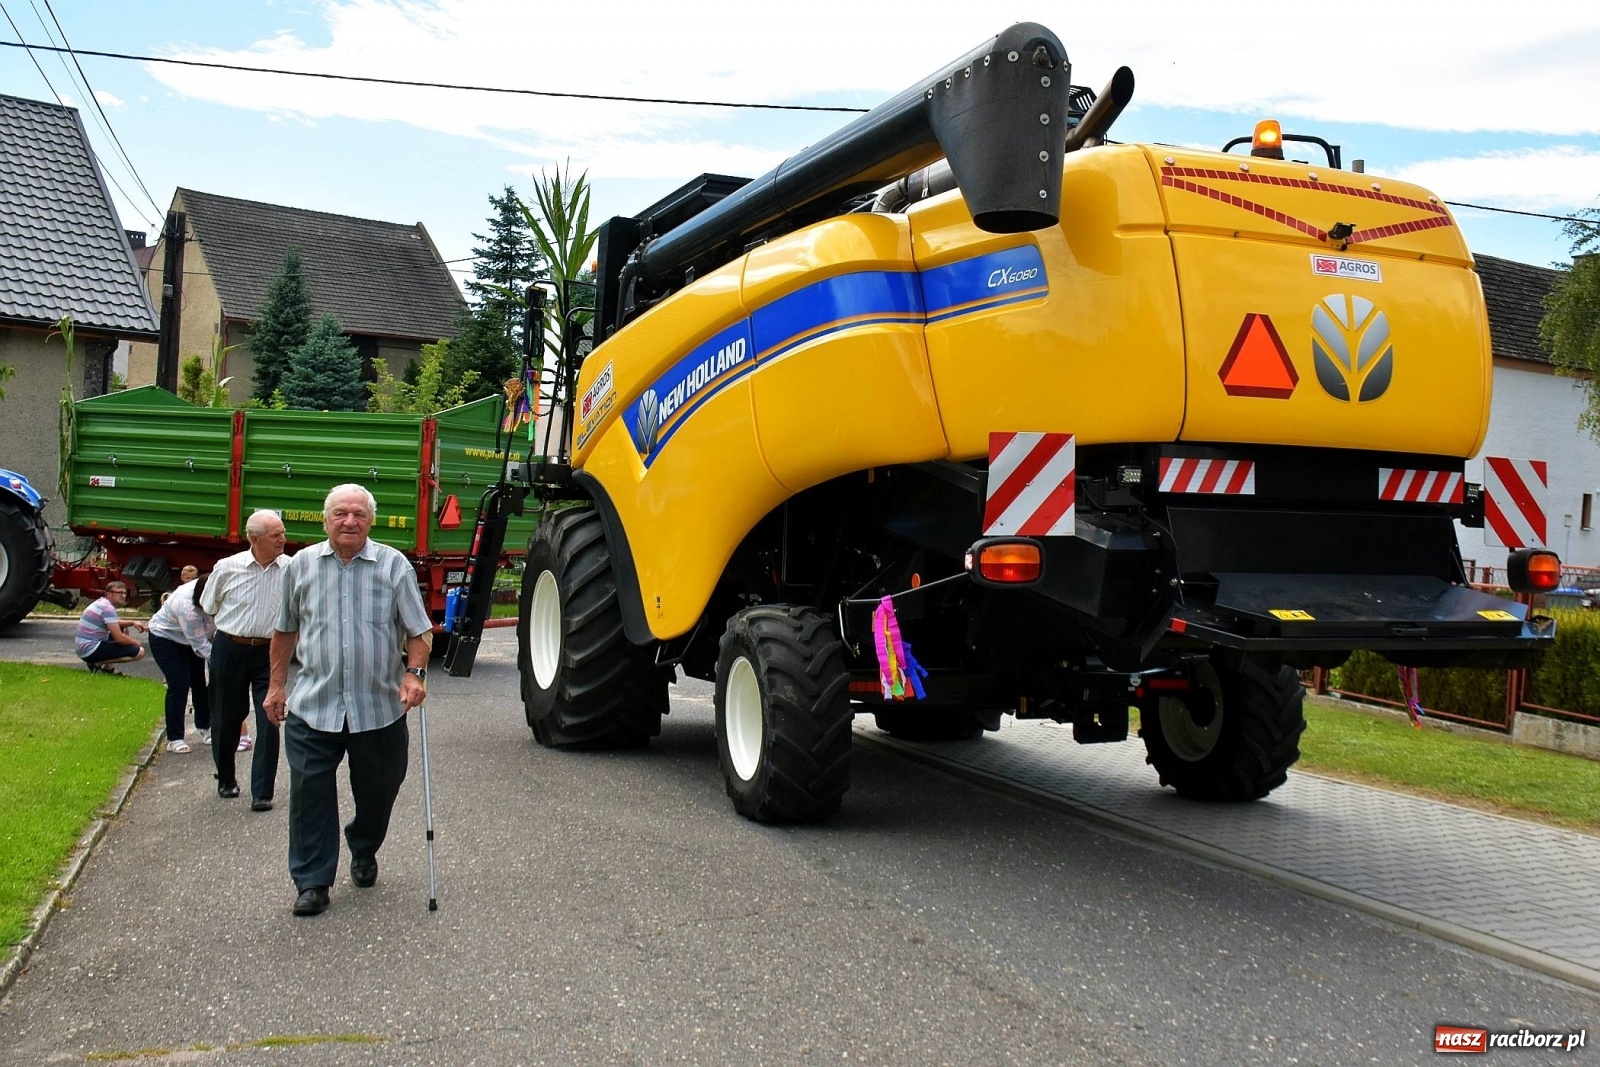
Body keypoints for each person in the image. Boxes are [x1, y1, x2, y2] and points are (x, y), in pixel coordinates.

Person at [265, 484, 431, 918]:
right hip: (313, 705)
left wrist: (414, 674)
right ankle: (312, 881)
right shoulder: (300, 566)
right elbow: (284, 631)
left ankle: (364, 844)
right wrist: (276, 685)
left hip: (378, 708)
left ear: (370, 521)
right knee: (309, 795)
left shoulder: (393, 566)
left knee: (380, 791)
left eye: (359, 514)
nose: (350, 522)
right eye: (341, 513)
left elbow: (419, 631)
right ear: (326, 519)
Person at [201, 509, 288, 809]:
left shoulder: (291, 569)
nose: (283, 540)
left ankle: (263, 792)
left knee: (270, 719)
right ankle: (226, 778)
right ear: (254, 539)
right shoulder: (228, 567)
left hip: (270, 651)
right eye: (276, 535)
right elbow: (209, 604)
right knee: (226, 715)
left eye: (283, 533)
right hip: (231, 647)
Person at [147, 571, 215, 753]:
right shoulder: (187, 607)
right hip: (166, 637)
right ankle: (175, 738)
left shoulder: (218, 592)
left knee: (201, 682)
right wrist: (227, 660)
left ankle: (205, 726)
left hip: (193, 638)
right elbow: (201, 646)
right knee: (179, 684)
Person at [75, 580, 146, 673]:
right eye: (119, 593)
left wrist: (132, 622)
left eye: (125, 593)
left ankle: (108, 669)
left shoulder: (102, 603)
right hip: (89, 649)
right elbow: (119, 639)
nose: (123, 596)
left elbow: (114, 622)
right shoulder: (107, 608)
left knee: (124, 629)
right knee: (139, 652)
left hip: (83, 647)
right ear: (109, 594)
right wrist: (136, 642)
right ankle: (97, 662)